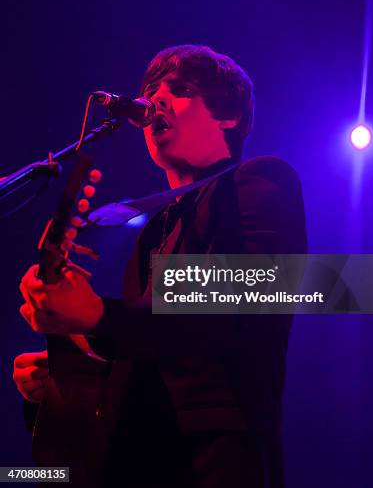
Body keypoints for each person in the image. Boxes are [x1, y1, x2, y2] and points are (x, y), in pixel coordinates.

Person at [13, 45, 307, 487]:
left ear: (228, 115)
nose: (154, 100)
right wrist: (64, 379)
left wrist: (97, 316)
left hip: (217, 463)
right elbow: (153, 352)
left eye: (180, 89)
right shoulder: (152, 232)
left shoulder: (261, 180)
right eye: (150, 90)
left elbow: (244, 299)